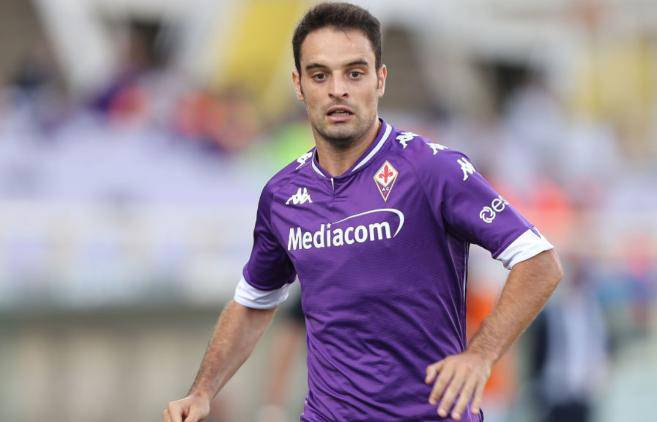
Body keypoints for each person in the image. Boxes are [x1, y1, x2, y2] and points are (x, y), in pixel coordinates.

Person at [163, 3, 563, 421]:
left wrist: (480, 355)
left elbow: (540, 261)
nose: (338, 89)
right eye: (320, 75)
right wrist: (202, 391)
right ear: (299, 85)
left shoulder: (432, 170)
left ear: (380, 79)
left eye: (354, 73)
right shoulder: (282, 195)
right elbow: (253, 304)